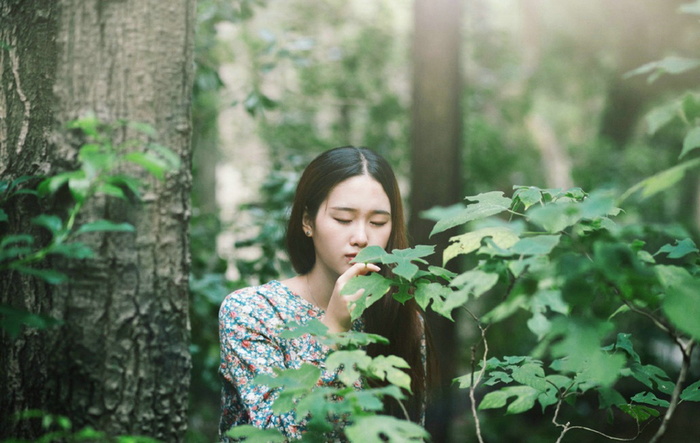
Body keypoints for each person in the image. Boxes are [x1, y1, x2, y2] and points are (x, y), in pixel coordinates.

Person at [219, 146, 429, 440]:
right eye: (343, 219)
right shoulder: (252, 311)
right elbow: (277, 434)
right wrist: (333, 329)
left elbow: (409, 431)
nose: (361, 237)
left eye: (378, 222)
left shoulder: (402, 317)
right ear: (308, 222)